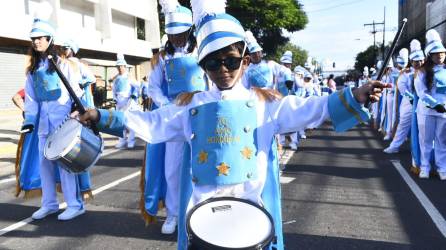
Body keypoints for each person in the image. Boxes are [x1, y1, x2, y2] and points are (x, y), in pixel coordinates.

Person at [77, 2, 386, 249]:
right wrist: (102, 118)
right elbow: (149, 123)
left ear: (245, 61)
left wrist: (355, 95)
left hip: (251, 218)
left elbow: (313, 108)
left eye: (231, 60)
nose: (222, 69)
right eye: (213, 62)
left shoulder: (266, 103)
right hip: (201, 220)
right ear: (203, 66)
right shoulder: (191, 105)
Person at [144, 0, 207, 234]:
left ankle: (195, 212)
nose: (176, 39)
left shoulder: (201, 49)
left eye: (180, 33)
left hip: (200, 115)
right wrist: (167, 105)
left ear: (189, 30)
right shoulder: (162, 57)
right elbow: (153, 88)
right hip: (173, 117)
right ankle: (172, 213)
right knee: (171, 168)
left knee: (199, 167)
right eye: (171, 34)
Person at [21, 1, 86, 220]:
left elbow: (76, 91)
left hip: (63, 123)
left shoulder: (63, 64)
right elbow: (30, 98)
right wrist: (29, 119)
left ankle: (75, 204)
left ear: (50, 40)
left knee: (65, 165)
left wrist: (75, 113)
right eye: (34, 38)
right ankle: (49, 203)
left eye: (40, 38)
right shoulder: (32, 70)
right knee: (44, 164)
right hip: (42, 126)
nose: (36, 41)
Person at [414, 29, 446, 180]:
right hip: (427, 112)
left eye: (442, 52)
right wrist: (435, 105)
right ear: (430, 55)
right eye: (436, 53)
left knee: (442, 141)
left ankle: (442, 168)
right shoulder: (421, 72)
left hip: (444, 112)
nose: (440, 55)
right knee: (426, 141)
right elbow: (421, 93)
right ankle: (425, 167)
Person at [384, 48, 412, 153]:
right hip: (400, 98)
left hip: (422, 102)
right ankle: (390, 135)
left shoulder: (420, 71)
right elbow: (402, 90)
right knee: (397, 119)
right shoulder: (399, 73)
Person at [112, 53, 139, 149]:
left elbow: (137, 86)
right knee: (120, 122)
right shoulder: (116, 79)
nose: (119, 68)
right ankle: (121, 140)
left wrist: (133, 96)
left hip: (128, 102)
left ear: (124, 66)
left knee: (130, 122)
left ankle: (131, 140)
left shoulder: (129, 76)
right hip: (119, 102)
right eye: (117, 66)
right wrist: (114, 100)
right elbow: (114, 90)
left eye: (121, 66)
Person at [61, 39, 96, 108]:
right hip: (64, 97)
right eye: (62, 48)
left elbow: (92, 78)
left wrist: (80, 83)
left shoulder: (79, 64)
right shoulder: (62, 63)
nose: (63, 50)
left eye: (65, 48)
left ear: (71, 50)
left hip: (77, 98)